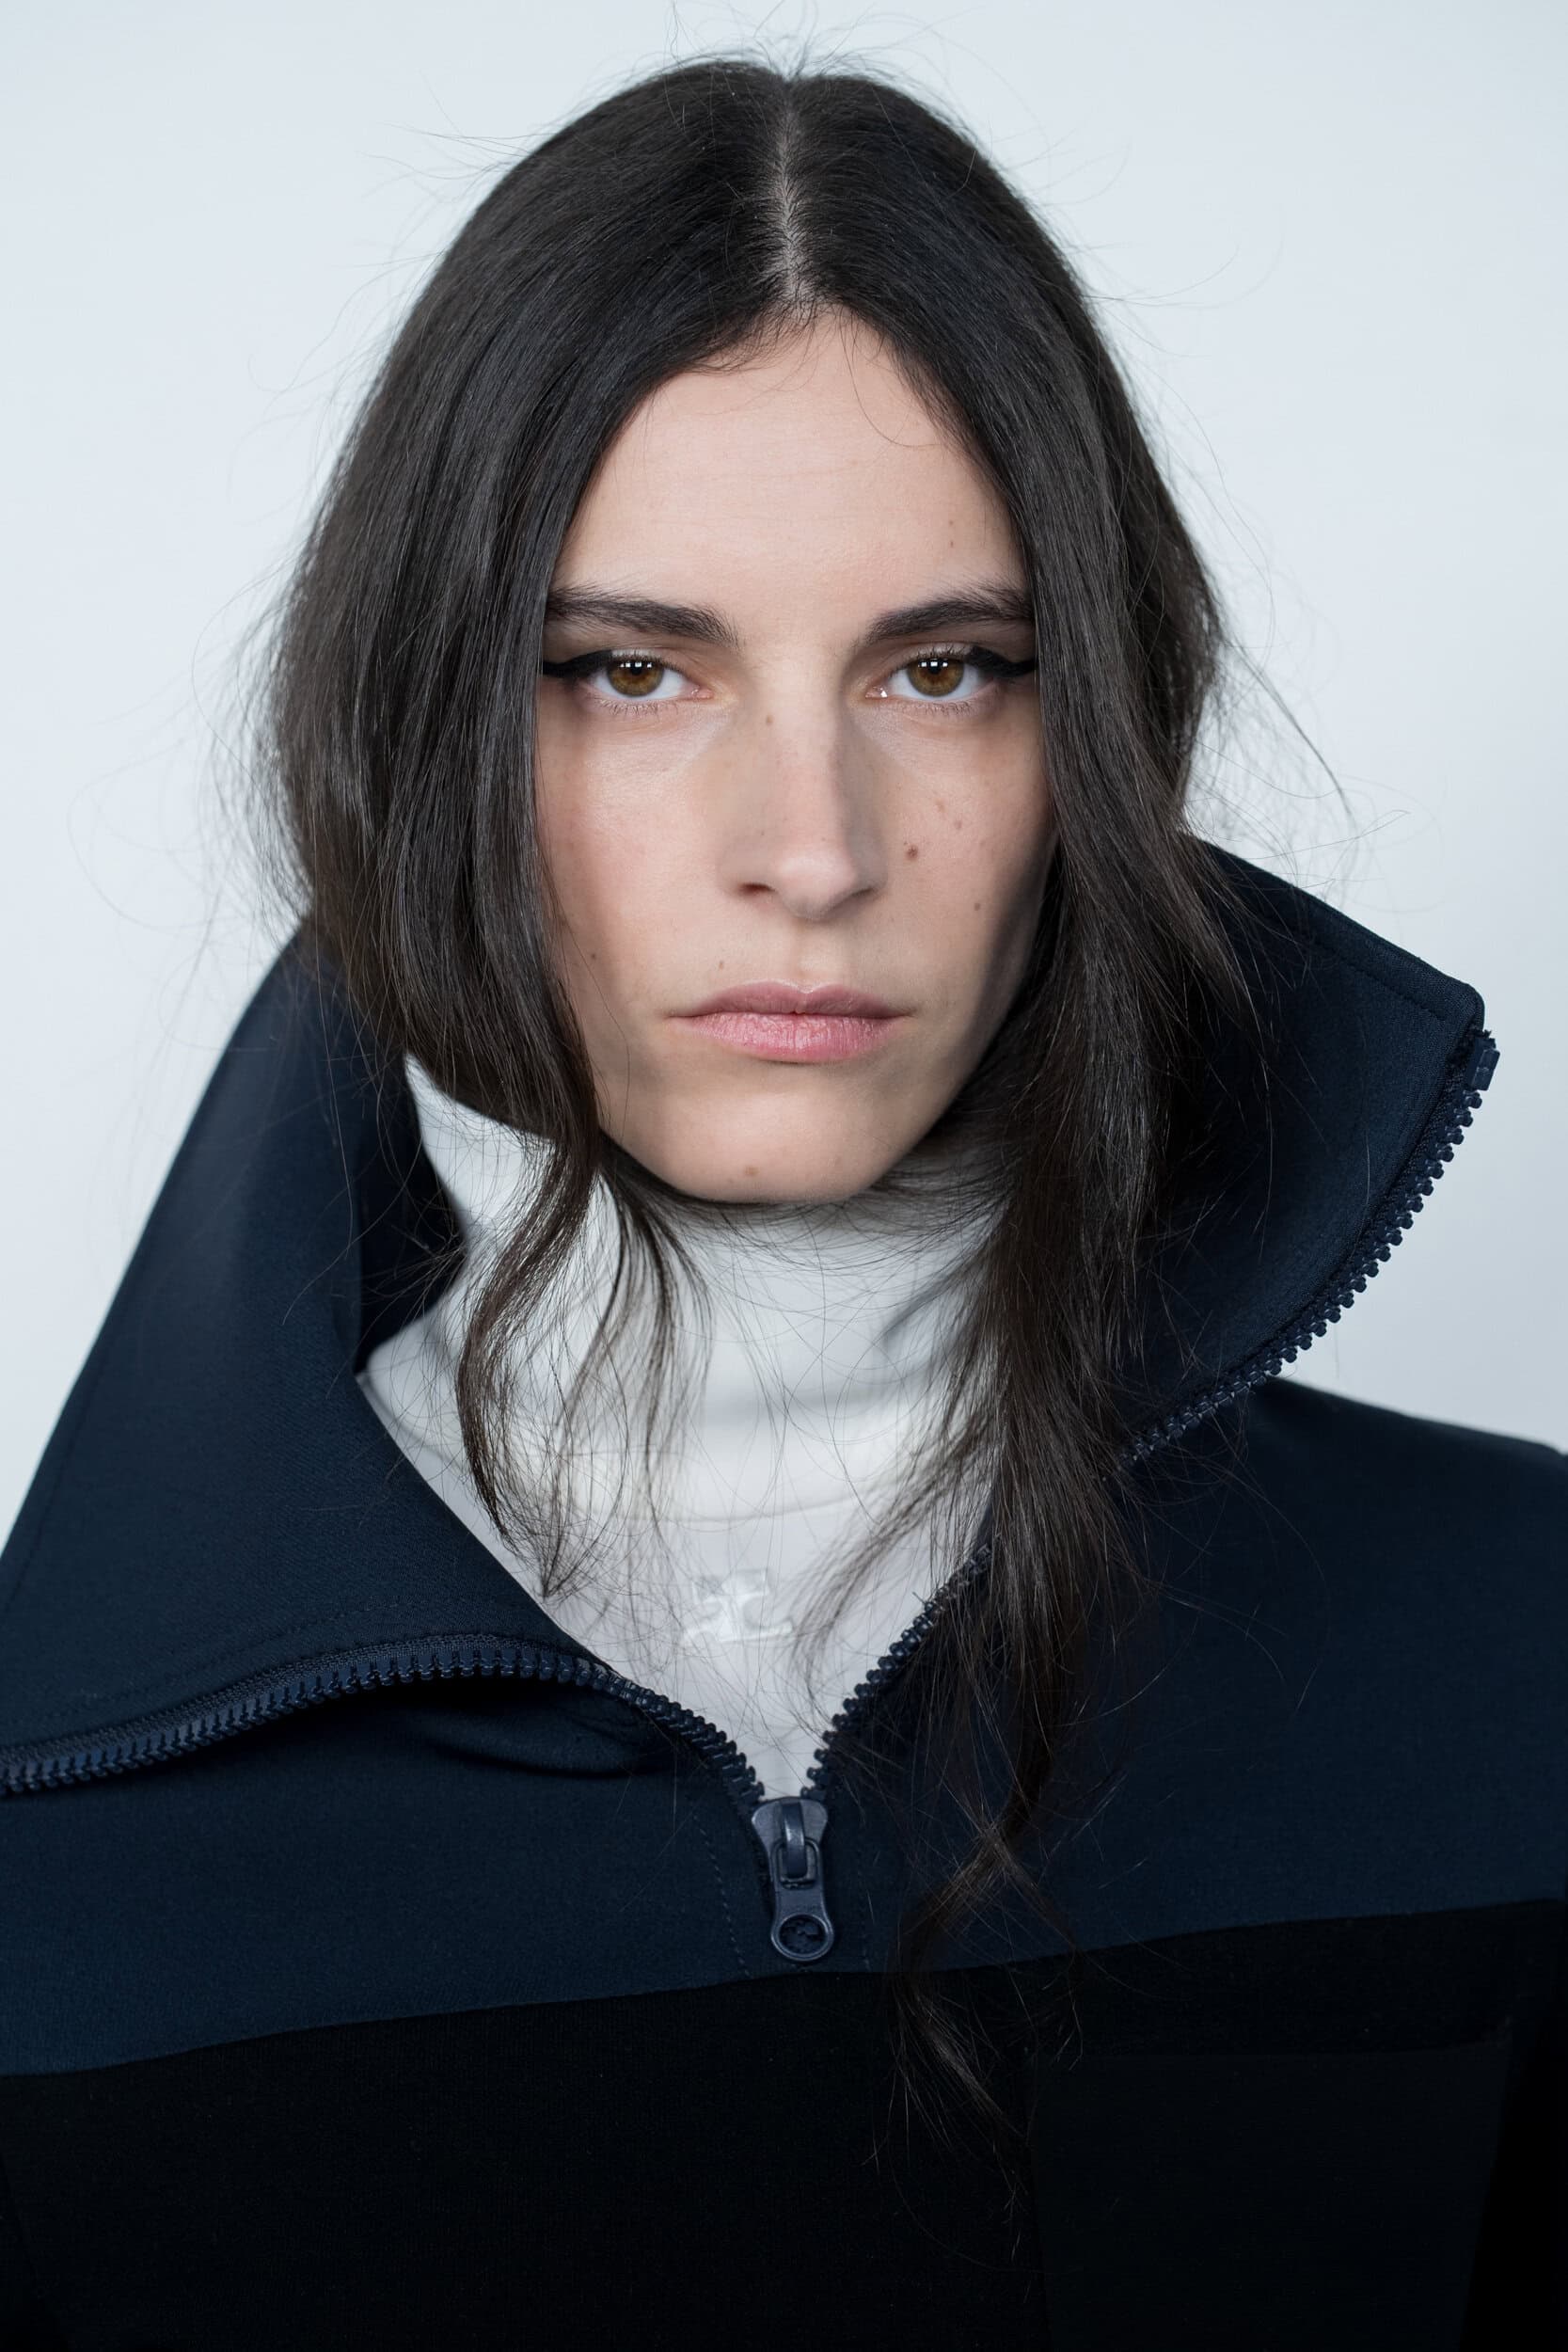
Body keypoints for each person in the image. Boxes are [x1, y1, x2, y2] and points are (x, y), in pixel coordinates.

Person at [0, 52, 1560, 2352]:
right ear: (413, 722)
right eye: (631, 671)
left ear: (1101, 736)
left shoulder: (1521, 1639)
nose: (811, 849)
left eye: (947, 669)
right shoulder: (50, 1821)